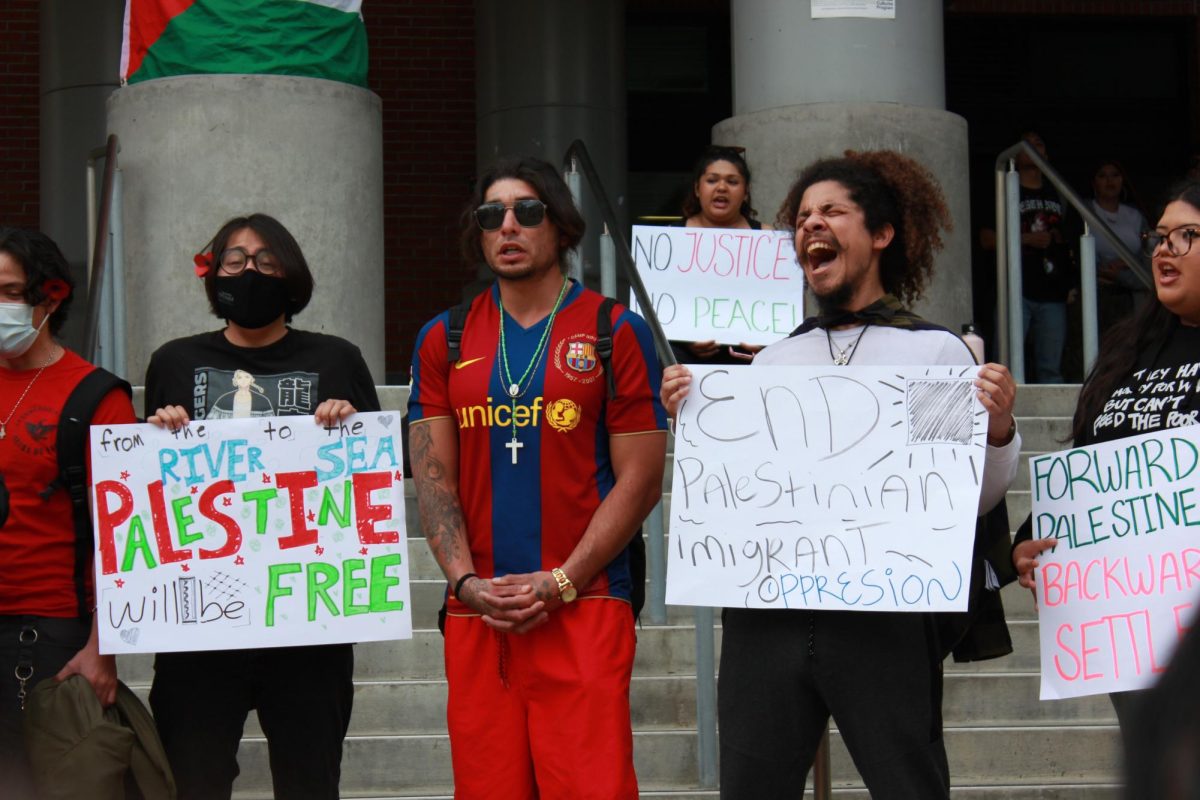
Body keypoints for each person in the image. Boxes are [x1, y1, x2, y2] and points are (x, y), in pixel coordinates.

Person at [660, 151, 1021, 799]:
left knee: (908, 786)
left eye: (831, 212)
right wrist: (692, 414)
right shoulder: (771, 362)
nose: (810, 226)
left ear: (881, 234)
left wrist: (994, 430)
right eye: (801, 217)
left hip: (881, 621)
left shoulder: (933, 353)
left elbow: (967, 498)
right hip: (766, 621)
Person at [407, 155, 668, 799]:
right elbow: (432, 478)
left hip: (585, 602)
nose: (508, 227)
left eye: (528, 212)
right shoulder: (445, 337)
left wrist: (562, 580)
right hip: (480, 614)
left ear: (562, 228)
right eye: (491, 215)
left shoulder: (614, 331)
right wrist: (465, 584)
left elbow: (641, 479)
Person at [144, 213, 379, 800]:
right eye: (234, 261)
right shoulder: (173, 361)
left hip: (307, 628)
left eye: (267, 261)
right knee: (192, 782)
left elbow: (381, 470)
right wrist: (160, 431)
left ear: (292, 275)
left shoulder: (338, 357)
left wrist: (351, 429)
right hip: (200, 629)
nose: (250, 271)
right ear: (214, 276)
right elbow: (152, 488)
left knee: (309, 782)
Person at [1013, 178, 1200, 741]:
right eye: (1159, 237)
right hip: (1140, 622)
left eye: (1186, 236)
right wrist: (1034, 538)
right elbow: (1095, 471)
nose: (1163, 250)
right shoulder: (1131, 348)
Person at [0, 228, 137, 798]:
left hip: (50, 639)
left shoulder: (97, 397)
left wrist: (103, 648)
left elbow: (123, 537)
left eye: (6, 290)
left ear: (49, 297)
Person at [675, 145, 772, 364]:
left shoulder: (767, 236)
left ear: (745, 192)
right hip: (681, 356)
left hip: (752, 355)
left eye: (732, 181)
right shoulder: (671, 237)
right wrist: (684, 337)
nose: (721, 187)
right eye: (712, 180)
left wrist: (766, 339)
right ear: (697, 189)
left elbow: (787, 303)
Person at [1015, 131, 1077, 384]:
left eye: (1039, 143)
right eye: (1026, 144)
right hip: (1016, 289)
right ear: (1015, 157)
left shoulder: (1058, 193)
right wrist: (1026, 239)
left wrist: (1071, 283)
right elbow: (986, 239)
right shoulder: (1004, 187)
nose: (1033, 148)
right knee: (1006, 363)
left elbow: (1071, 241)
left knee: (1051, 369)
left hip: (1053, 289)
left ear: (1046, 154)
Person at [1089, 158, 1150, 328]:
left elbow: (1148, 254)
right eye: (1103, 176)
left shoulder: (1135, 215)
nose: (1110, 181)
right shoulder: (1084, 211)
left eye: (1115, 175)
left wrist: (1125, 267)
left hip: (1132, 292)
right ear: (1094, 182)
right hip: (1095, 292)